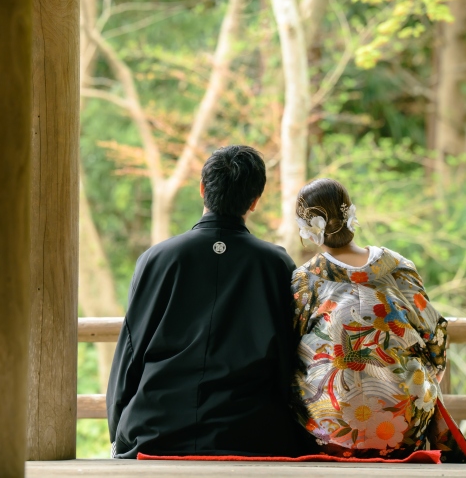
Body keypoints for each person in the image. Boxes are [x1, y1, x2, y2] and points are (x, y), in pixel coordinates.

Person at [106, 145, 314, 459]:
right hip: (251, 433)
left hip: (155, 431)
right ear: (255, 200)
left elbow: (130, 352)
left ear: (203, 189)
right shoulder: (276, 265)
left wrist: (119, 433)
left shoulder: (156, 260)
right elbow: (288, 359)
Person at [290, 178, 466, 463]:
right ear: (350, 213)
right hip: (405, 426)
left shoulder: (306, 279)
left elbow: (289, 341)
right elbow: (435, 331)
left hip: (329, 429)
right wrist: (430, 374)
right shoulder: (397, 267)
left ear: (307, 229)